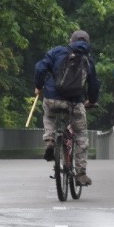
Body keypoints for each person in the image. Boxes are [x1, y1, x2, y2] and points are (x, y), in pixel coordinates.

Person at [34, 29, 100, 186]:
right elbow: (94, 85)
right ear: (87, 43)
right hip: (74, 103)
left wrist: (39, 86)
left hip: (52, 98)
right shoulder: (88, 60)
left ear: (71, 41)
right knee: (81, 136)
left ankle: (50, 139)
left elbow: (40, 68)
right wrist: (91, 100)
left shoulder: (57, 51)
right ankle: (81, 174)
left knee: (49, 115)